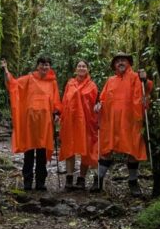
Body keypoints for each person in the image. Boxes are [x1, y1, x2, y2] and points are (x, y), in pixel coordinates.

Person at [1, 56, 61, 192]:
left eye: (47, 65)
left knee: (42, 152)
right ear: (37, 66)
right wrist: (6, 71)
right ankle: (27, 181)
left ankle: (40, 182)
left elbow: (56, 100)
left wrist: (57, 113)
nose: (44, 67)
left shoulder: (52, 83)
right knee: (29, 152)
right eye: (42, 64)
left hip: (45, 122)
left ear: (49, 67)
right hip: (30, 122)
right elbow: (14, 84)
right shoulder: (29, 78)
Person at [94, 52, 148, 194]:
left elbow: (146, 90)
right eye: (118, 61)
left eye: (123, 60)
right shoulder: (110, 80)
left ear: (128, 62)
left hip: (130, 122)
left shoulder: (136, 77)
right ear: (114, 65)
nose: (121, 63)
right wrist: (99, 104)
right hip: (111, 122)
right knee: (106, 149)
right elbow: (103, 98)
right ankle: (98, 180)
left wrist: (145, 79)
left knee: (133, 150)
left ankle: (133, 182)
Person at [59, 60, 99, 190]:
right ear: (76, 69)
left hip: (87, 122)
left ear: (88, 69)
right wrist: (60, 116)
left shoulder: (92, 86)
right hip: (71, 121)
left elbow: (95, 104)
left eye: (84, 66)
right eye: (79, 66)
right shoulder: (70, 83)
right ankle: (69, 178)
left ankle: (81, 179)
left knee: (85, 150)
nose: (81, 68)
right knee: (69, 147)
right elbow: (65, 100)